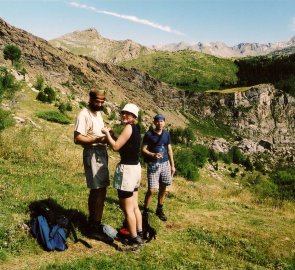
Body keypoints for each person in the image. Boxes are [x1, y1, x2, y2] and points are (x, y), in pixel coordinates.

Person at [102, 103, 143, 247]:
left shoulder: (129, 127)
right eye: (123, 113)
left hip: (127, 171)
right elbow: (125, 143)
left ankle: (133, 240)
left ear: (133, 117)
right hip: (136, 169)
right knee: (135, 206)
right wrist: (114, 136)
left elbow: (115, 146)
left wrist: (107, 133)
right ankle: (139, 232)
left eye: (128, 114)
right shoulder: (137, 128)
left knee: (127, 209)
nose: (124, 115)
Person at [74, 89, 111, 242]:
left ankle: (96, 222)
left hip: (101, 152)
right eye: (97, 101)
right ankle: (93, 226)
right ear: (90, 99)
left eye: (102, 101)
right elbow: (77, 138)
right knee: (97, 190)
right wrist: (98, 139)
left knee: (101, 189)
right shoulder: (84, 114)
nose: (100, 104)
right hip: (93, 152)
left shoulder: (98, 113)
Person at [142, 114, 175, 221]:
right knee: (152, 190)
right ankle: (145, 211)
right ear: (154, 122)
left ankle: (159, 209)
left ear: (164, 122)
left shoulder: (166, 134)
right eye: (158, 121)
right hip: (153, 164)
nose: (160, 123)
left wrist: (172, 165)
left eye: (162, 121)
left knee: (163, 186)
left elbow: (169, 150)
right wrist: (153, 154)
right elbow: (143, 149)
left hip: (165, 163)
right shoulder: (149, 134)